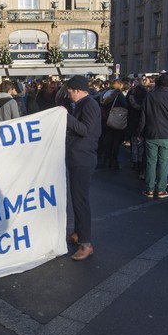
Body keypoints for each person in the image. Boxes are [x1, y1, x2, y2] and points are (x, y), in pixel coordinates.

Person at [63, 76, 102, 261]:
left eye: (69, 92)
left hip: (83, 158)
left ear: (77, 90)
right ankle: (78, 233)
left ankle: (86, 243)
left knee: (81, 201)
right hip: (77, 157)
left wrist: (66, 117)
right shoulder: (83, 104)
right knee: (77, 199)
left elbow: (85, 129)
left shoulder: (90, 105)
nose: (69, 95)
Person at [137, 73, 168, 198]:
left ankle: (149, 188)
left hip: (151, 133)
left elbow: (143, 117)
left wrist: (140, 133)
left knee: (151, 162)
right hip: (167, 134)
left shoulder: (149, 96)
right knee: (164, 163)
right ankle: (161, 189)